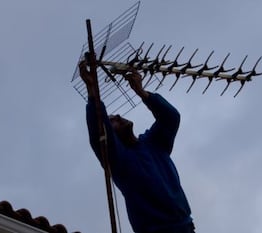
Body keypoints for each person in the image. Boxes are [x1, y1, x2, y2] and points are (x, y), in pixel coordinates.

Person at [79, 60, 195, 233]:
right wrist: (92, 91)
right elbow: (99, 135)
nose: (117, 116)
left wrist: (142, 93)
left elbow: (171, 117)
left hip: (185, 228)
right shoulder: (120, 160)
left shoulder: (154, 143)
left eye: (116, 116)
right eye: (112, 121)